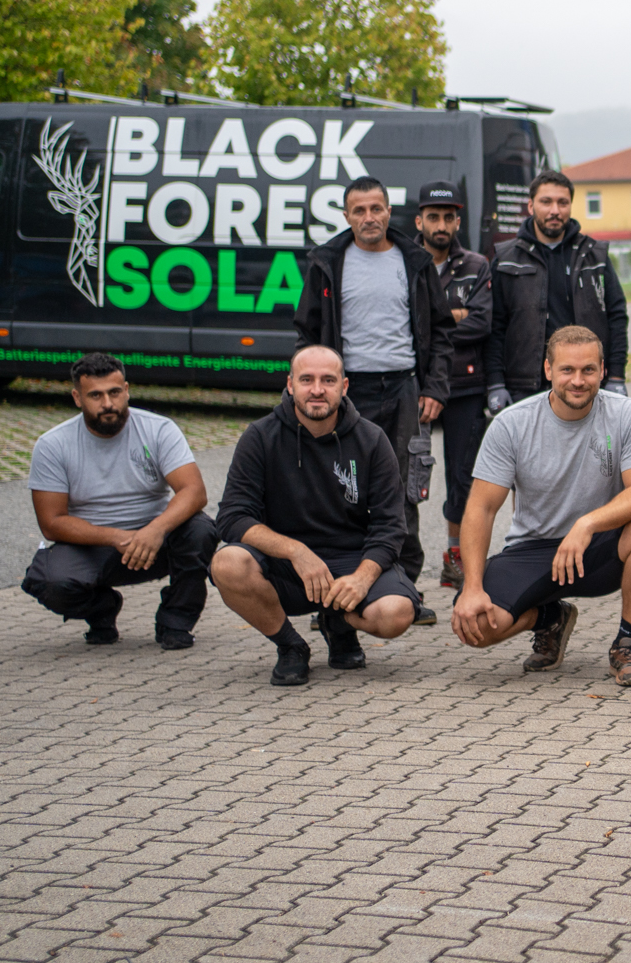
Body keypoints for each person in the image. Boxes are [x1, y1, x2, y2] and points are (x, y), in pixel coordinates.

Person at [452, 326, 631, 684]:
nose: (578, 380)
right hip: (534, 549)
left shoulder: (626, 414)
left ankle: (627, 644)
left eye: (588, 370)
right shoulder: (511, 424)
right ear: (548, 370)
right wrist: (472, 586)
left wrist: (586, 525)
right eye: (567, 370)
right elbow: (481, 510)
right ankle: (551, 619)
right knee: (475, 625)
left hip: (600, 547)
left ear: (603, 370)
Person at [211, 345, 422, 686]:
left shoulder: (371, 439)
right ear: (290, 384)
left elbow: (390, 526)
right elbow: (233, 517)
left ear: (345, 386)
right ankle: (291, 646)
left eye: (328, 380)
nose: (318, 389)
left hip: (350, 561)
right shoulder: (260, 437)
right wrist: (295, 551)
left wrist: (363, 579)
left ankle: (338, 623)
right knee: (227, 563)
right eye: (307, 379)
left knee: (395, 615)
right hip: (284, 566)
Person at [295, 175, 452, 582]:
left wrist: (434, 387)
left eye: (376, 208)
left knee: (402, 490)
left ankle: (402, 584)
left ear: (388, 211)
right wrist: (310, 387)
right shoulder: (327, 263)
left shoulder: (414, 263)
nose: (369, 217)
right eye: (359, 210)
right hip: (345, 392)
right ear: (346, 216)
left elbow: (441, 331)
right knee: (337, 486)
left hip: (404, 391)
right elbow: (306, 332)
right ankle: (329, 586)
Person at [22, 352, 216, 649]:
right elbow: (52, 523)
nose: (108, 404)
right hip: (91, 546)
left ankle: (175, 622)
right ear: (77, 397)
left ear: (126, 389)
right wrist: (117, 537)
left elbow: (194, 492)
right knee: (50, 582)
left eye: (114, 392)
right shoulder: (53, 445)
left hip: (157, 543)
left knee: (202, 530)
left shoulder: (158, 429)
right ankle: (102, 609)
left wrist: (155, 530)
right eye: (95, 395)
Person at [484, 168, 629, 410]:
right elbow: (494, 327)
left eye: (563, 202)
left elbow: (616, 317)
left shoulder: (594, 255)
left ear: (571, 205)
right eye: (546, 202)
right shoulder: (505, 258)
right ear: (530, 206)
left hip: (584, 383)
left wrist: (615, 376)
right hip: (525, 386)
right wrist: (495, 383)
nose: (555, 210)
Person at [414, 180, 494, 592]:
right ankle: (399, 564)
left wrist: (434, 323)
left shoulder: (477, 265)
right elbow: (407, 328)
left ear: (457, 220)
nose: (441, 224)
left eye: (448, 217)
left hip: (465, 386)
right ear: (419, 220)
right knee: (405, 476)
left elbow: (482, 322)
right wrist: (453, 316)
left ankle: (454, 558)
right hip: (417, 387)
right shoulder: (405, 261)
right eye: (433, 216)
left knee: (463, 477)